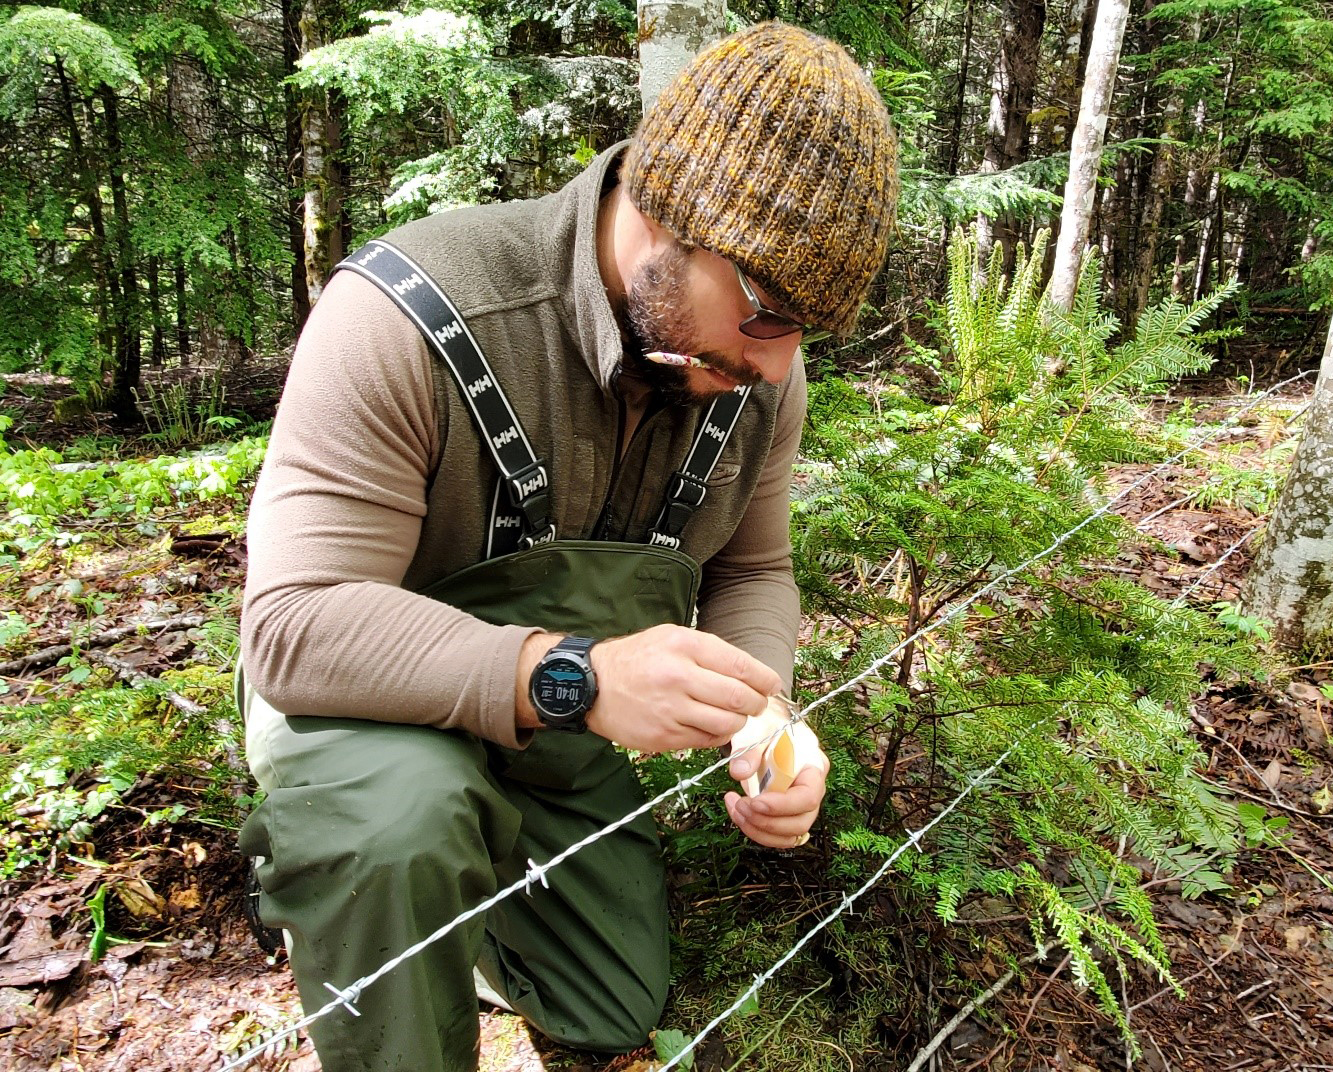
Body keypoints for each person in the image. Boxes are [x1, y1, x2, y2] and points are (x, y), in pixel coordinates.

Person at [237, 21, 898, 1072]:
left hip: (549, 734)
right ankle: (351, 893)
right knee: (398, 823)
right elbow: (294, 623)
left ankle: (470, 892)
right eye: (768, 313)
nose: (778, 368)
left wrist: (765, 709)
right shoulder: (409, 314)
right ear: (661, 218)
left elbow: (752, 570)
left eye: (806, 330)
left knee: (608, 1002)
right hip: (368, 713)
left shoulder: (748, 369)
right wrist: (573, 677)